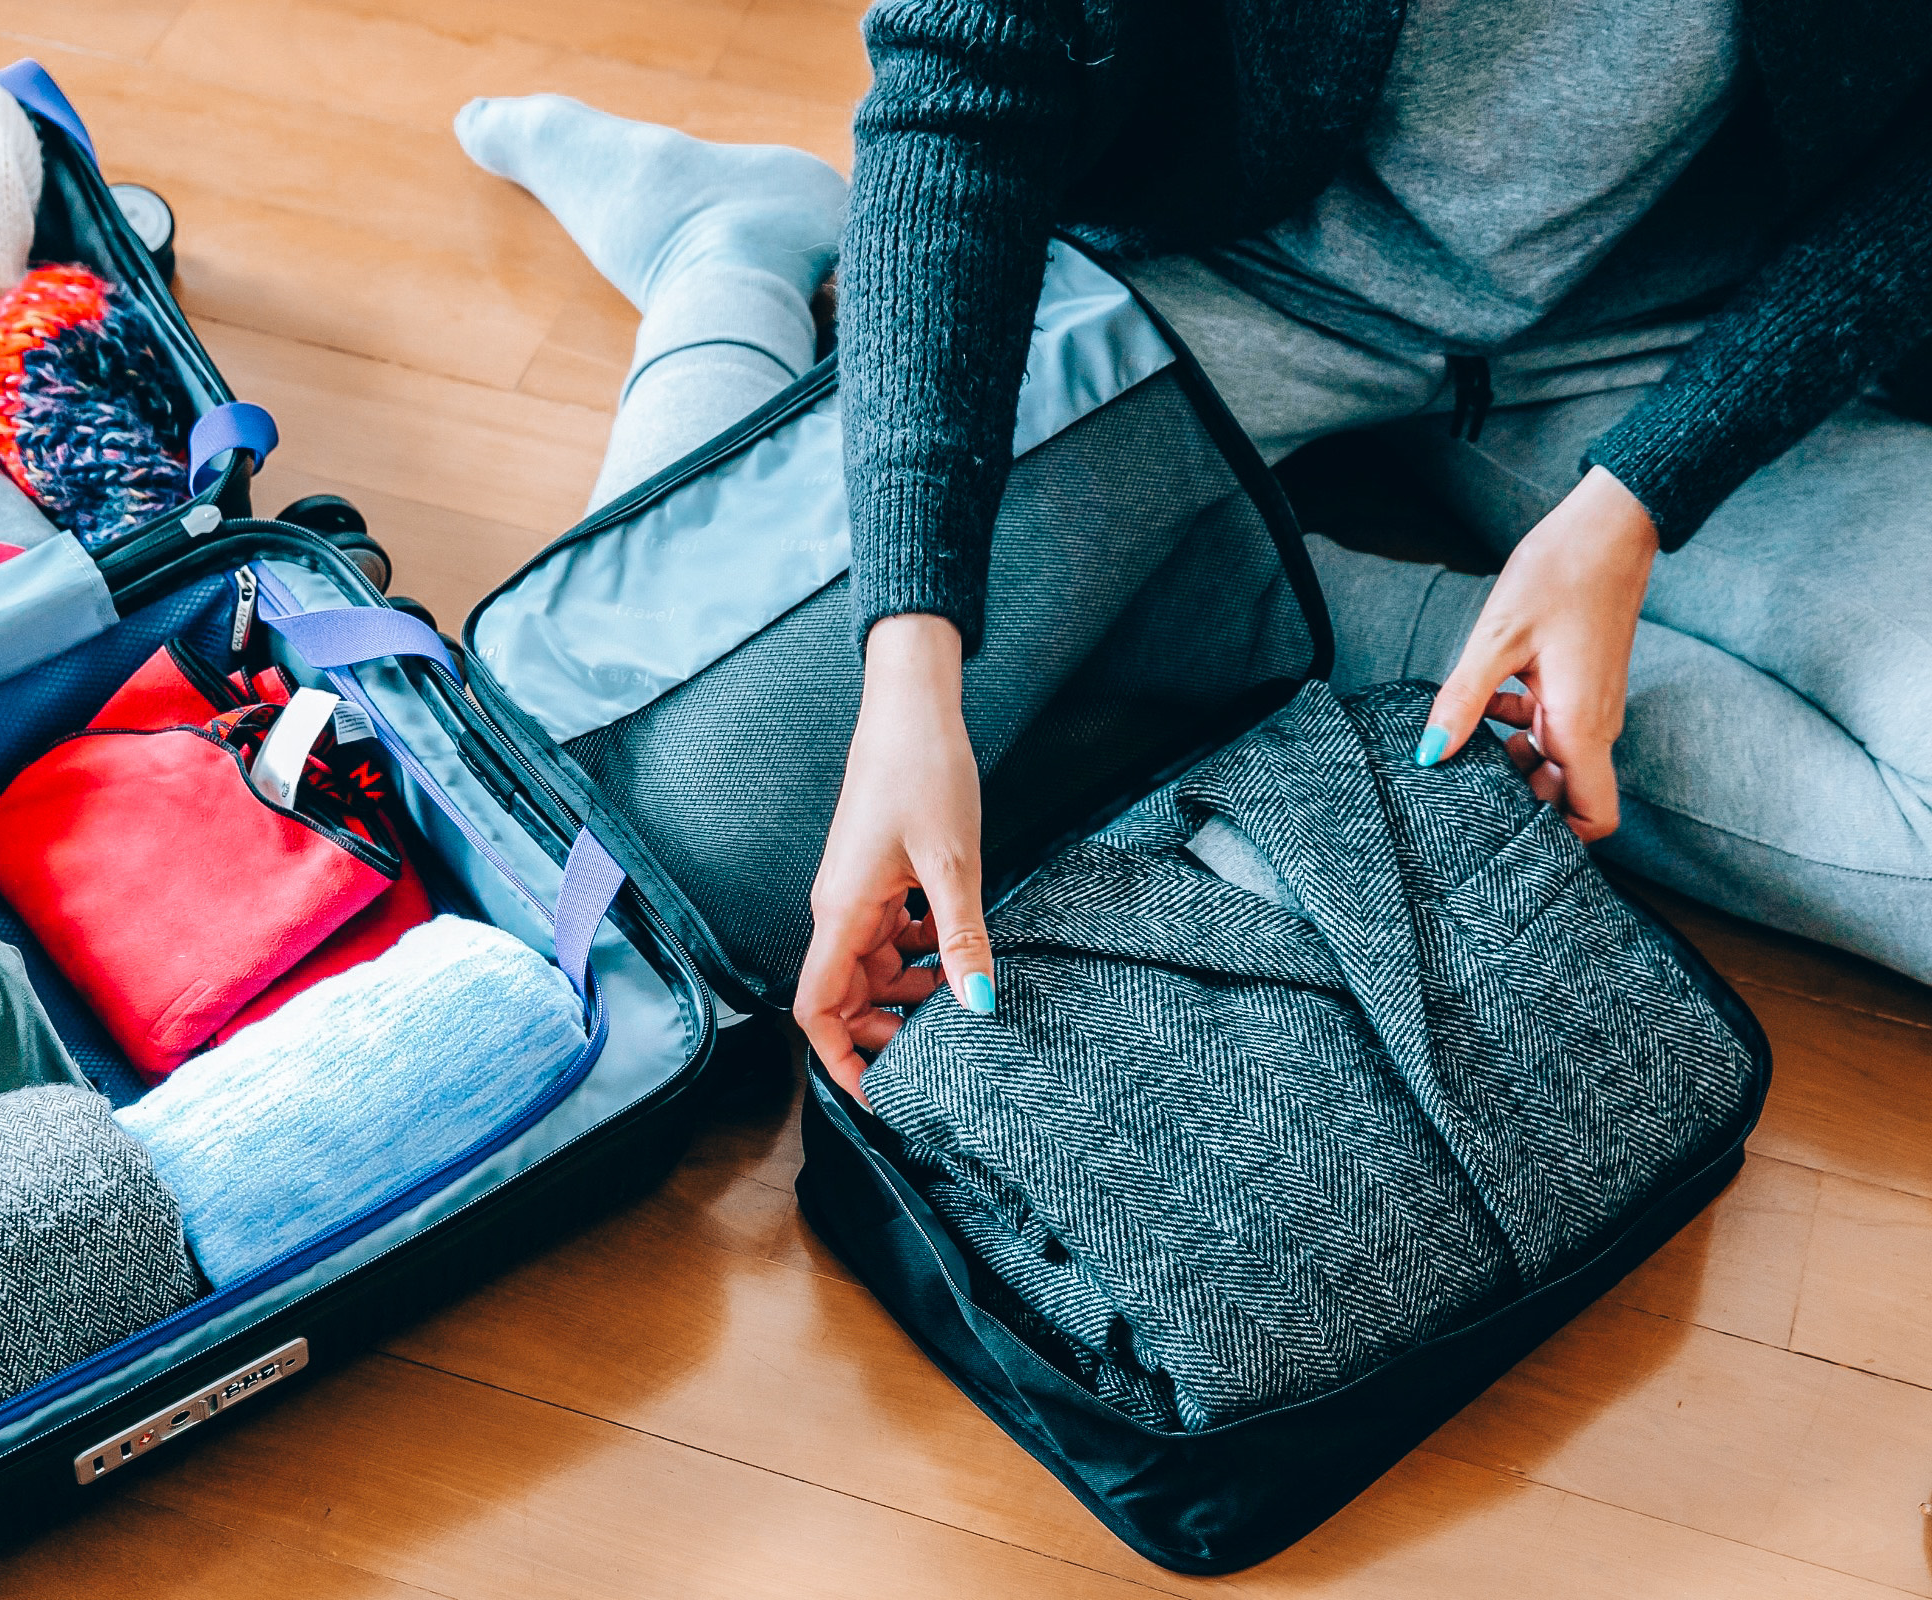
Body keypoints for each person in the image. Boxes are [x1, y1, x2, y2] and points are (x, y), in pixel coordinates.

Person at [456, 0, 1932, 1094]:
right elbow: (964, 87)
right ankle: (730, 245)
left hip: (1670, 340)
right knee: (669, 839)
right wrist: (914, 668)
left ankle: (1236, 588)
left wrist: (1636, 506)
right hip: (1226, 280)